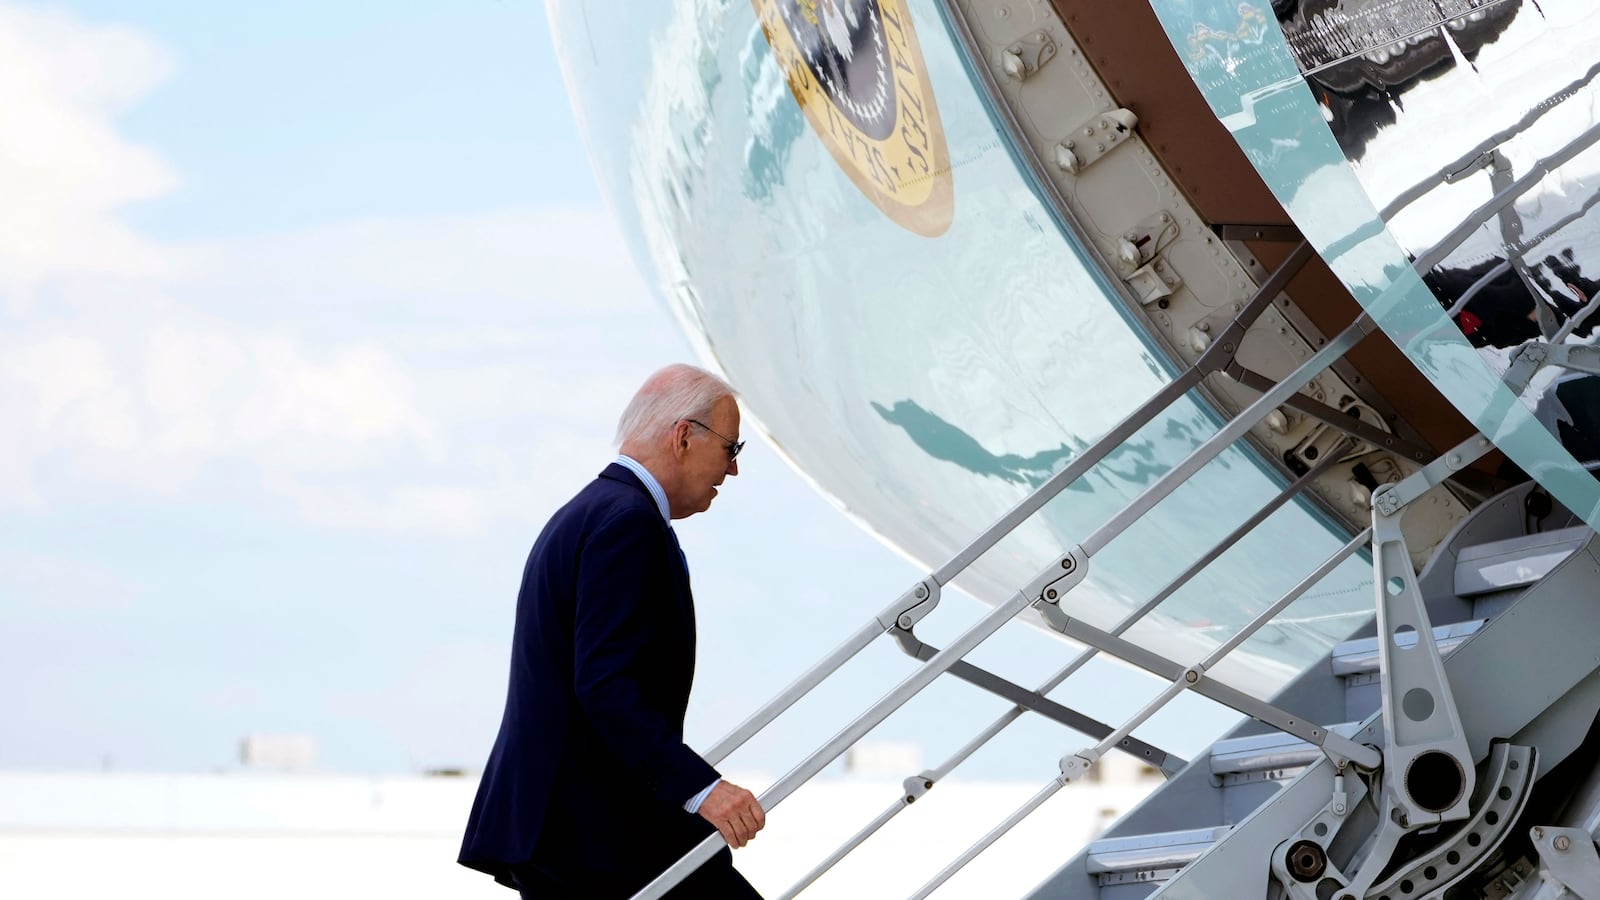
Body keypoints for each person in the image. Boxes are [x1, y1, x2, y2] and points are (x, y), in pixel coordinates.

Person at [459, 364, 767, 898]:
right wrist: (703, 790)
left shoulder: (593, 511)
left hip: (578, 821)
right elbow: (605, 686)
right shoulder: (628, 523)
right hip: (591, 827)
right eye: (731, 449)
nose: (733, 470)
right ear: (684, 437)